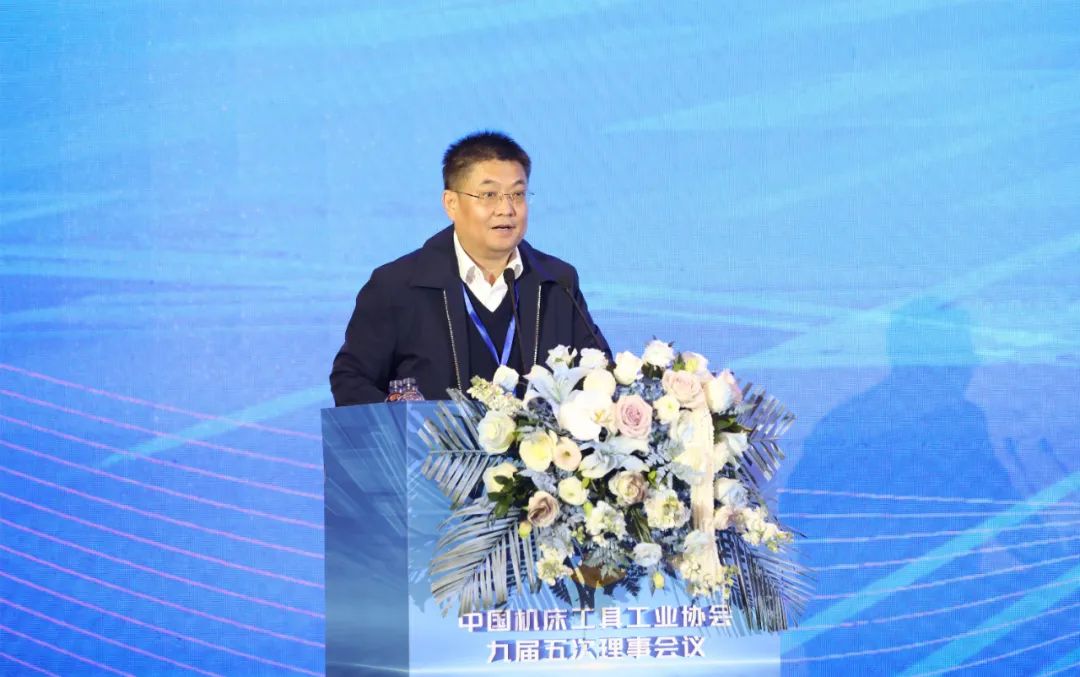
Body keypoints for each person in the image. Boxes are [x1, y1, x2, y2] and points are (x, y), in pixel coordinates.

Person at [330, 131, 610, 406]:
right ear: (451, 204)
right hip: (432, 439)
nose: (506, 209)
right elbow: (351, 380)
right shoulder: (398, 286)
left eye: (517, 194)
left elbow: (600, 375)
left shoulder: (557, 282)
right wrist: (404, 422)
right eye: (489, 194)